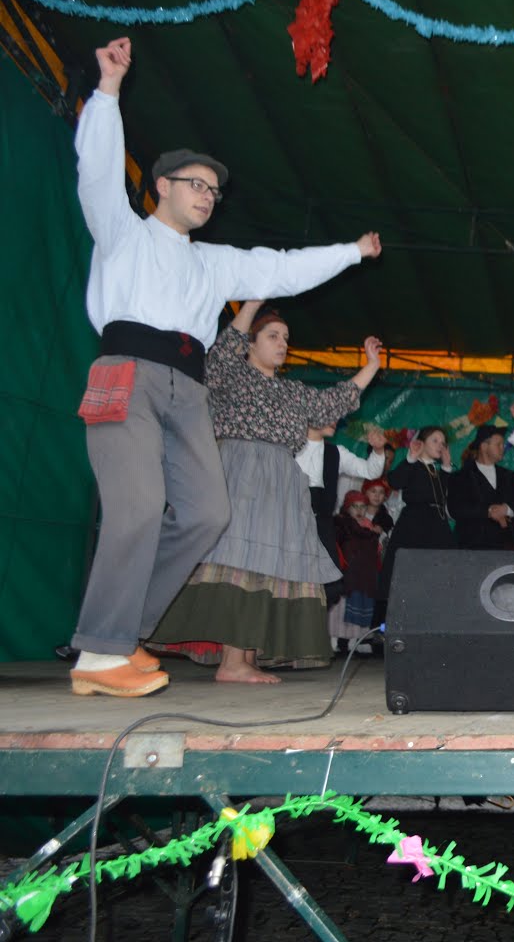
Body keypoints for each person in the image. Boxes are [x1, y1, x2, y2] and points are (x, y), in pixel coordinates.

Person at [66, 36, 381, 697]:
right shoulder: (123, 234)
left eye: (214, 189)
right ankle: (99, 652)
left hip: (187, 391)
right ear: (162, 187)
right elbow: (95, 172)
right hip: (128, 371)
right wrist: (108, 91)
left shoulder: (215, 264)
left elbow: (282, 267)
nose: (209, 196)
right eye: (197, 186)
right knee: (139, 508)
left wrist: (350, 251)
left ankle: (125, 634)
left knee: (209, 513)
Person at [146, 301, 383, 682]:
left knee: (268, 566)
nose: (282, 343)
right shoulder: (232, 377)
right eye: (273, 336)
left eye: (286, 338)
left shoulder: (292, 392)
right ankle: (232, 663)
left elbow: (333, 402)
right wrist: (252, 304)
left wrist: (371, 364)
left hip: (281, 481)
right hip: (241, 472)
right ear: (250, 344)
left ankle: (246, 656)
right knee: (243, 558)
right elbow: (221, 353)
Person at [299, 422, 389, 603]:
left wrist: (378, 451)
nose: (334, 419)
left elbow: (369, 471)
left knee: (330, 588)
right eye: (328, 414)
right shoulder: (289, 448)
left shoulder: (335, 452)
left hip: (322, 527)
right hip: (292, 526)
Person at [379, 425, 458, 605]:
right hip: (415, 527)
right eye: (435, 441)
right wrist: (410, 458)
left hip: (437, 526)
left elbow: (441, 497)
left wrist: (446, 467)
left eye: (443, 443)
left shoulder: (435, 470)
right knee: (409, 577)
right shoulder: (413, 465)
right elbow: (394, 481)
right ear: (421, 443)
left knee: (441, 576)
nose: (440, 446)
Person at [329, 481, 392, 652]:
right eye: (355, 506)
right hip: (347, 575)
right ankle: (334, 641)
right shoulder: (341, 524)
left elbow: (376, 549)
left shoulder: (371, 526)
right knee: (340, 610)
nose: (359, 510)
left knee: (360, 607)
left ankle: (354, 642)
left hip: (364, 577)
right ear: (347, 508)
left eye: (362, 507)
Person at [451, 424, 514, 549]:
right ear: (484, 446)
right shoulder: (461, 477)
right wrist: (488, 512)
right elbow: (456, 508)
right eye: (498, 444)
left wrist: (506, 509)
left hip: (505, 546)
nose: (502, 448)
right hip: (471, 548)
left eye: (502, 444)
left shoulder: (510, 476)